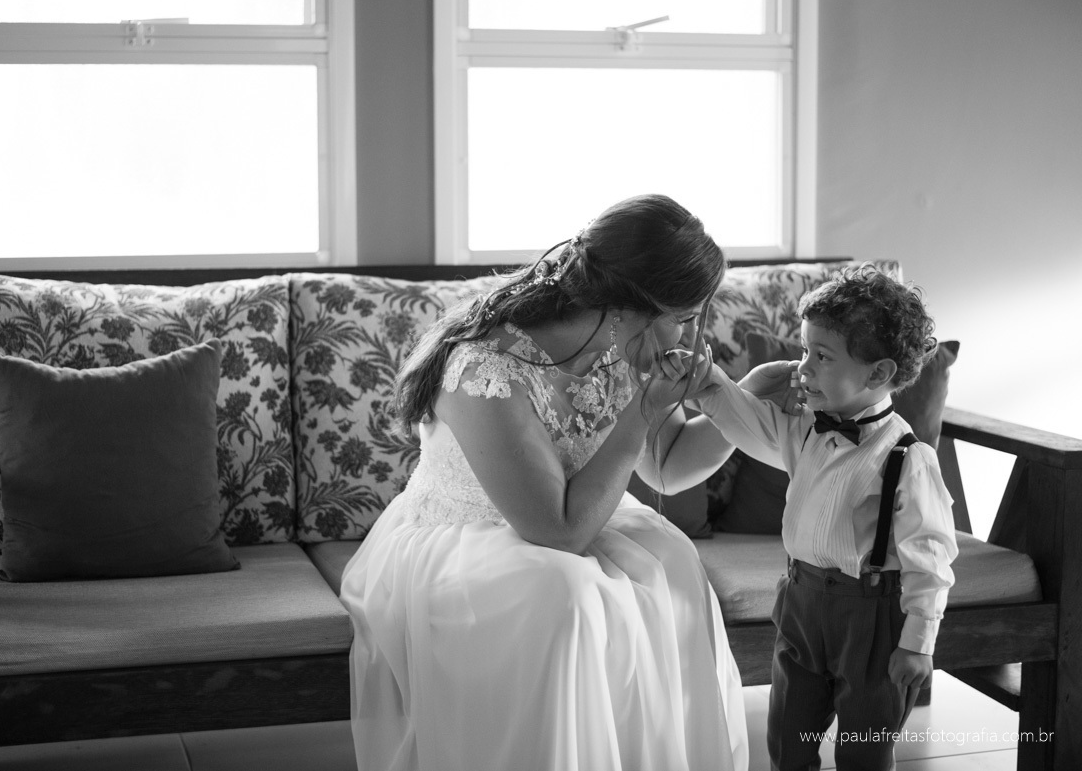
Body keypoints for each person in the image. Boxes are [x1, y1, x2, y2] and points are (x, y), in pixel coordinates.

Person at [341, 193, 778, 771]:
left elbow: (668, 466)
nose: (689, 336)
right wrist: (642, 411)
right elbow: (557, 532)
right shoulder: (484, 368)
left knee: (671, 562)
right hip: (469, 538)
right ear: (629, 305)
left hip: (572, 516)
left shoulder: (620, 345)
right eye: (684, 317)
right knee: (562, 597)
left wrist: (747, 394)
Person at [684, 265, 959, 771]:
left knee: (865, 750)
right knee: (789, 735)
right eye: (805, 349)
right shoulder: (805, 429)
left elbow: (931, 560)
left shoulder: (907, 458)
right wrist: (707, 383)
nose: (803, 367)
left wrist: (918, 644)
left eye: (822, 356)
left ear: (878, 374)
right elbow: (746, 421)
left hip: (871, 618)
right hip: (801, 604)